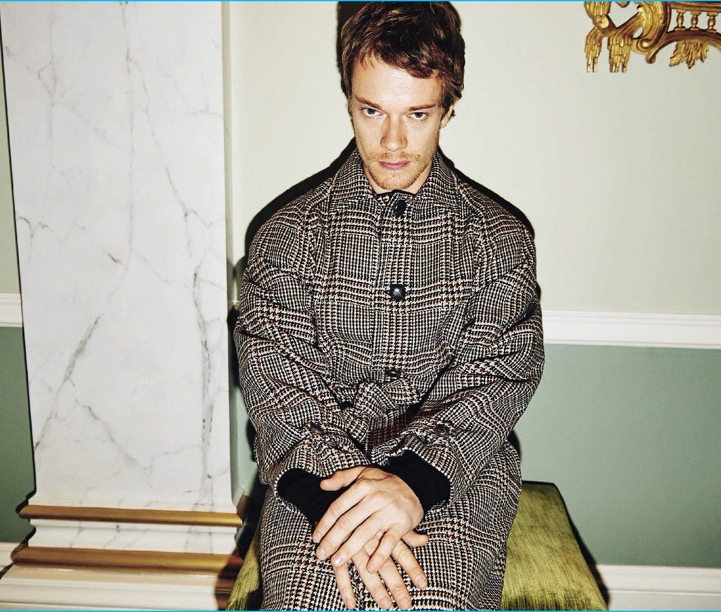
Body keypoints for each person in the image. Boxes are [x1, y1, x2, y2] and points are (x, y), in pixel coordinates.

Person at [234, 2, 544, 609]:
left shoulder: (500, 238)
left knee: (429, 602)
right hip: (316, 480)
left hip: (457, 477)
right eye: (372, 110)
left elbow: (499, 376)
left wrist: (412, 484)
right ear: (348, 100)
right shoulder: (283, 236)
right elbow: (277, 387)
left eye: (417, 114)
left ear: (449, 108)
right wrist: (344, 508)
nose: (393, 141)